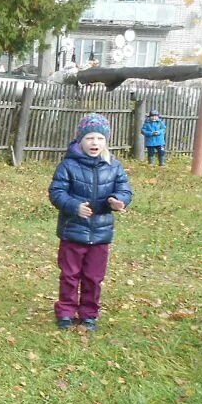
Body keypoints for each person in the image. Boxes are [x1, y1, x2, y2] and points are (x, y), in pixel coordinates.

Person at [49, 114, 133, 332]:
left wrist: (120, 201)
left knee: (94, 277)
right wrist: (74, 206)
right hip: (73, 232)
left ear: (106, 141)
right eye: (89, 138)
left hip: (101, 234)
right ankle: (66, 312)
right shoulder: (68, 165)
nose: (94, 143)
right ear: (80, 140)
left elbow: (124, 189)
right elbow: (57, 192)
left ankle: (89, 313)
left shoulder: (114, 166)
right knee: (70, 275)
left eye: (99, 138)